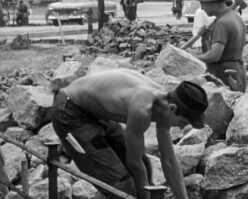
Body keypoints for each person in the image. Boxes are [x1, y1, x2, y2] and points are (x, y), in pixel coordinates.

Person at [50, 70, 208, 199]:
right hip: (70, 111)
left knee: (145, 167)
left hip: (96, 113)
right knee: (122, 185)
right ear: (172, 109)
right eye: (183, 122)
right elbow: (134, 162)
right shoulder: (142, 109)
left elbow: (168, 160)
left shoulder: (164, 104)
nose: (182, 128)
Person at [193, 0, 247, 92]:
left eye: (203, 4)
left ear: (212, 2)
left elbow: (215, 55)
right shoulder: (235, 17)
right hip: (236, 73)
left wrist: (193, 59)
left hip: (225, 77)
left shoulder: (221, 24)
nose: (202, 8)